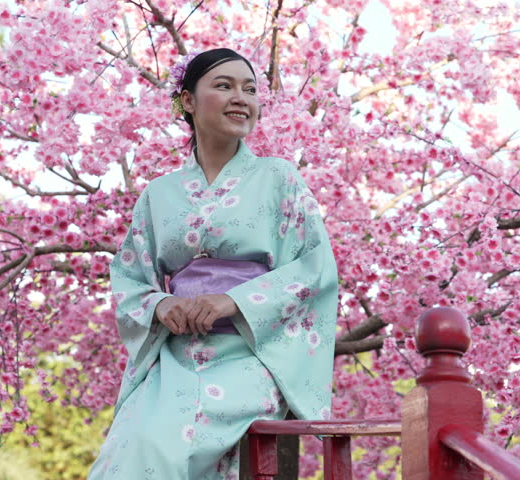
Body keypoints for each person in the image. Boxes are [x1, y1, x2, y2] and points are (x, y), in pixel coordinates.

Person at [88, 48, 339, 480]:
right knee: (124, 453)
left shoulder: (279, 178)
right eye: (223, 86)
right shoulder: (158, 194)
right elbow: (130, 277)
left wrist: (233, 302)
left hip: (252, 353)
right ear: (187, 100)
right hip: (176, 358)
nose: (241, 98)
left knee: (166, 448)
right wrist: (162, 306)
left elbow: (315, 268)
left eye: (250, 89)